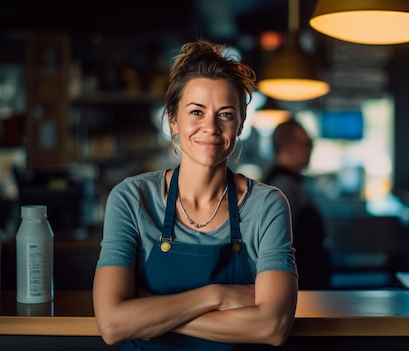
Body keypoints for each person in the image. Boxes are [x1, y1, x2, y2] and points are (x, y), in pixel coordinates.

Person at [93, 39, 298, 350]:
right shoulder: (132, 199)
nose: (211, 127)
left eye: (226, 114)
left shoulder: (267, 206)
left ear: (240, 124)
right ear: (173, 120)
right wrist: (218, 296)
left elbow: (272, 326)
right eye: (196, 112)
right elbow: (112, 324)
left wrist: (150, 314)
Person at [264, 120, 331, 290]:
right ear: (288, 146)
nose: (311, 149)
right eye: (308, 143)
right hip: (300, 290)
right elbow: (282, 245)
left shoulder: (290, 182)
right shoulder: (283, 185)